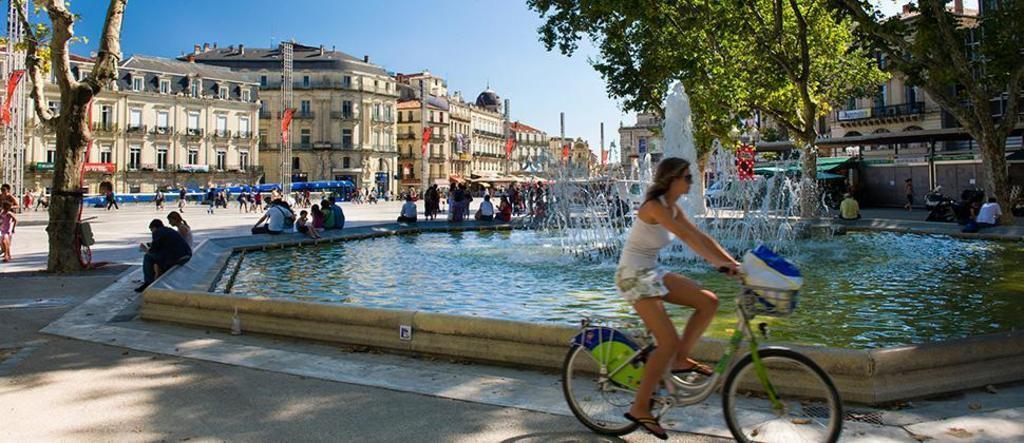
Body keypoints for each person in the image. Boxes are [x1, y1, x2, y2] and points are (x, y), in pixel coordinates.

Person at [615, 158, 739, 439]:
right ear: (671, 179)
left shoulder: (672, 207)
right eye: (686, 177)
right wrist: (719, 265)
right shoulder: (654, 206)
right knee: (667, 341)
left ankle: (680, 359)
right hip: (633, 275)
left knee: (708, 301)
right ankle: (639, 407)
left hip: (652, 271)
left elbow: (701, 237)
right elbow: (686, 238)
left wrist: (734, 263)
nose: (691, 182)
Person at [136, 219, 192, 292]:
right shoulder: (169, 230)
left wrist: (145, 249)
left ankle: (148, 283)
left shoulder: (157, 232)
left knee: (148, 257)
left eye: (151, 230)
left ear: (154, 227)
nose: (152, 232)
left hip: (177, 257)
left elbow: (153, 250)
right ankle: (155, 279)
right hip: (187, 254)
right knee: (157, 258)